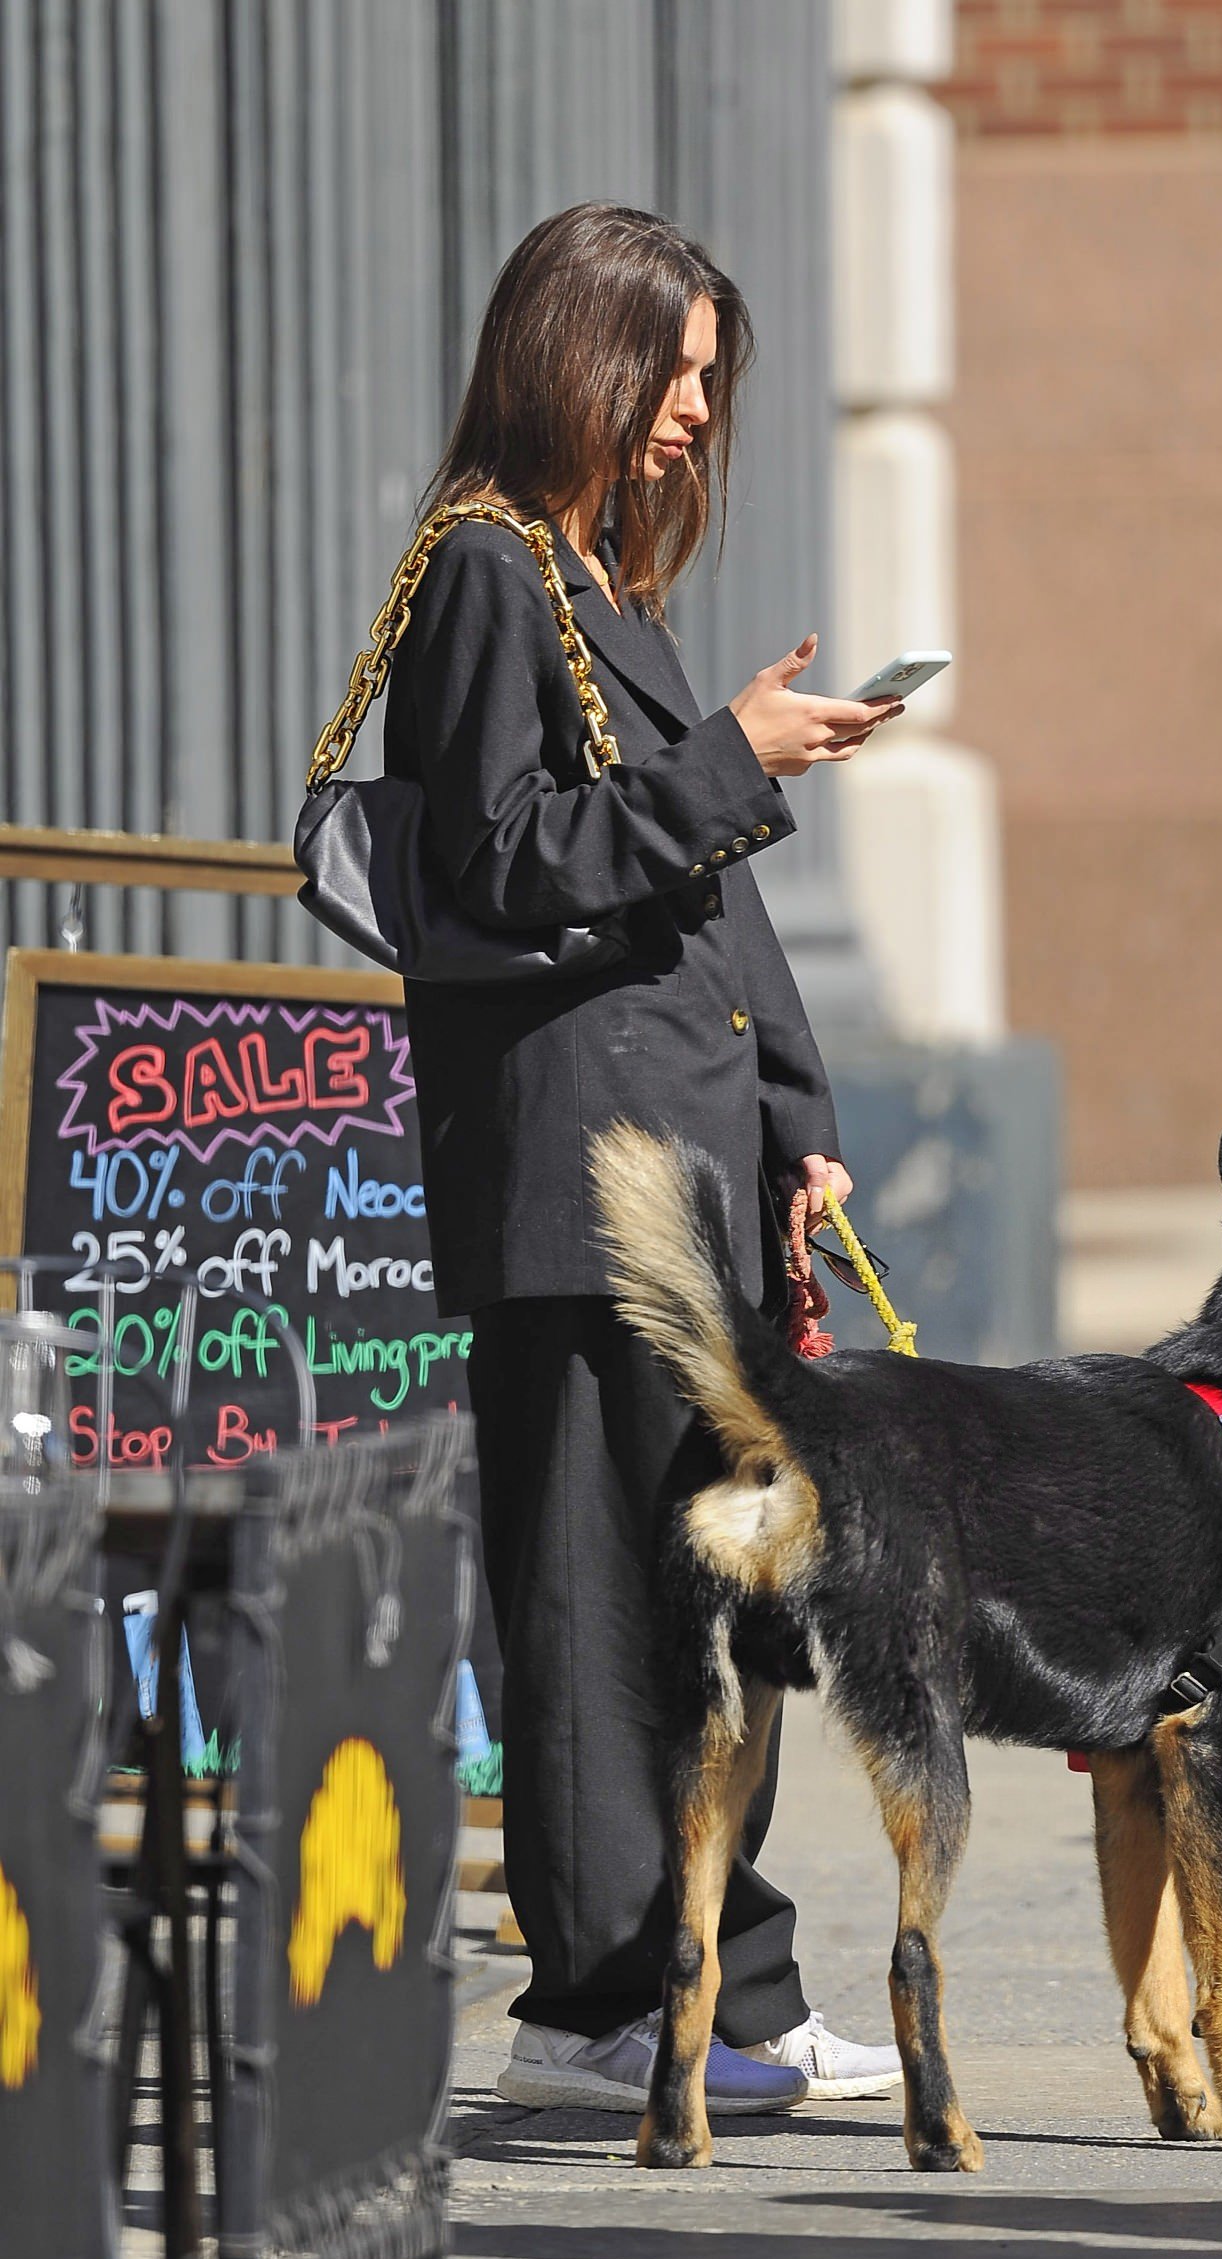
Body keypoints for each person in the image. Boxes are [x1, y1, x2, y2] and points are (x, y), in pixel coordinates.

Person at [384, 202, 904, 2114]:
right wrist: (733, 758)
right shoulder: (485, 578)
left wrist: (797, 1137)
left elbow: (703, 928)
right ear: (575, 355)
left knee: (709, 1606)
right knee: (601, 1605)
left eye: (710, 381)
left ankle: (725, 1986)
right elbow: (501, 864)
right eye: (674, 372)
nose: (696, 413)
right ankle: (593, 2016)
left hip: (678, 1186)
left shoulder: (593, 587)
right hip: (578, 1195)